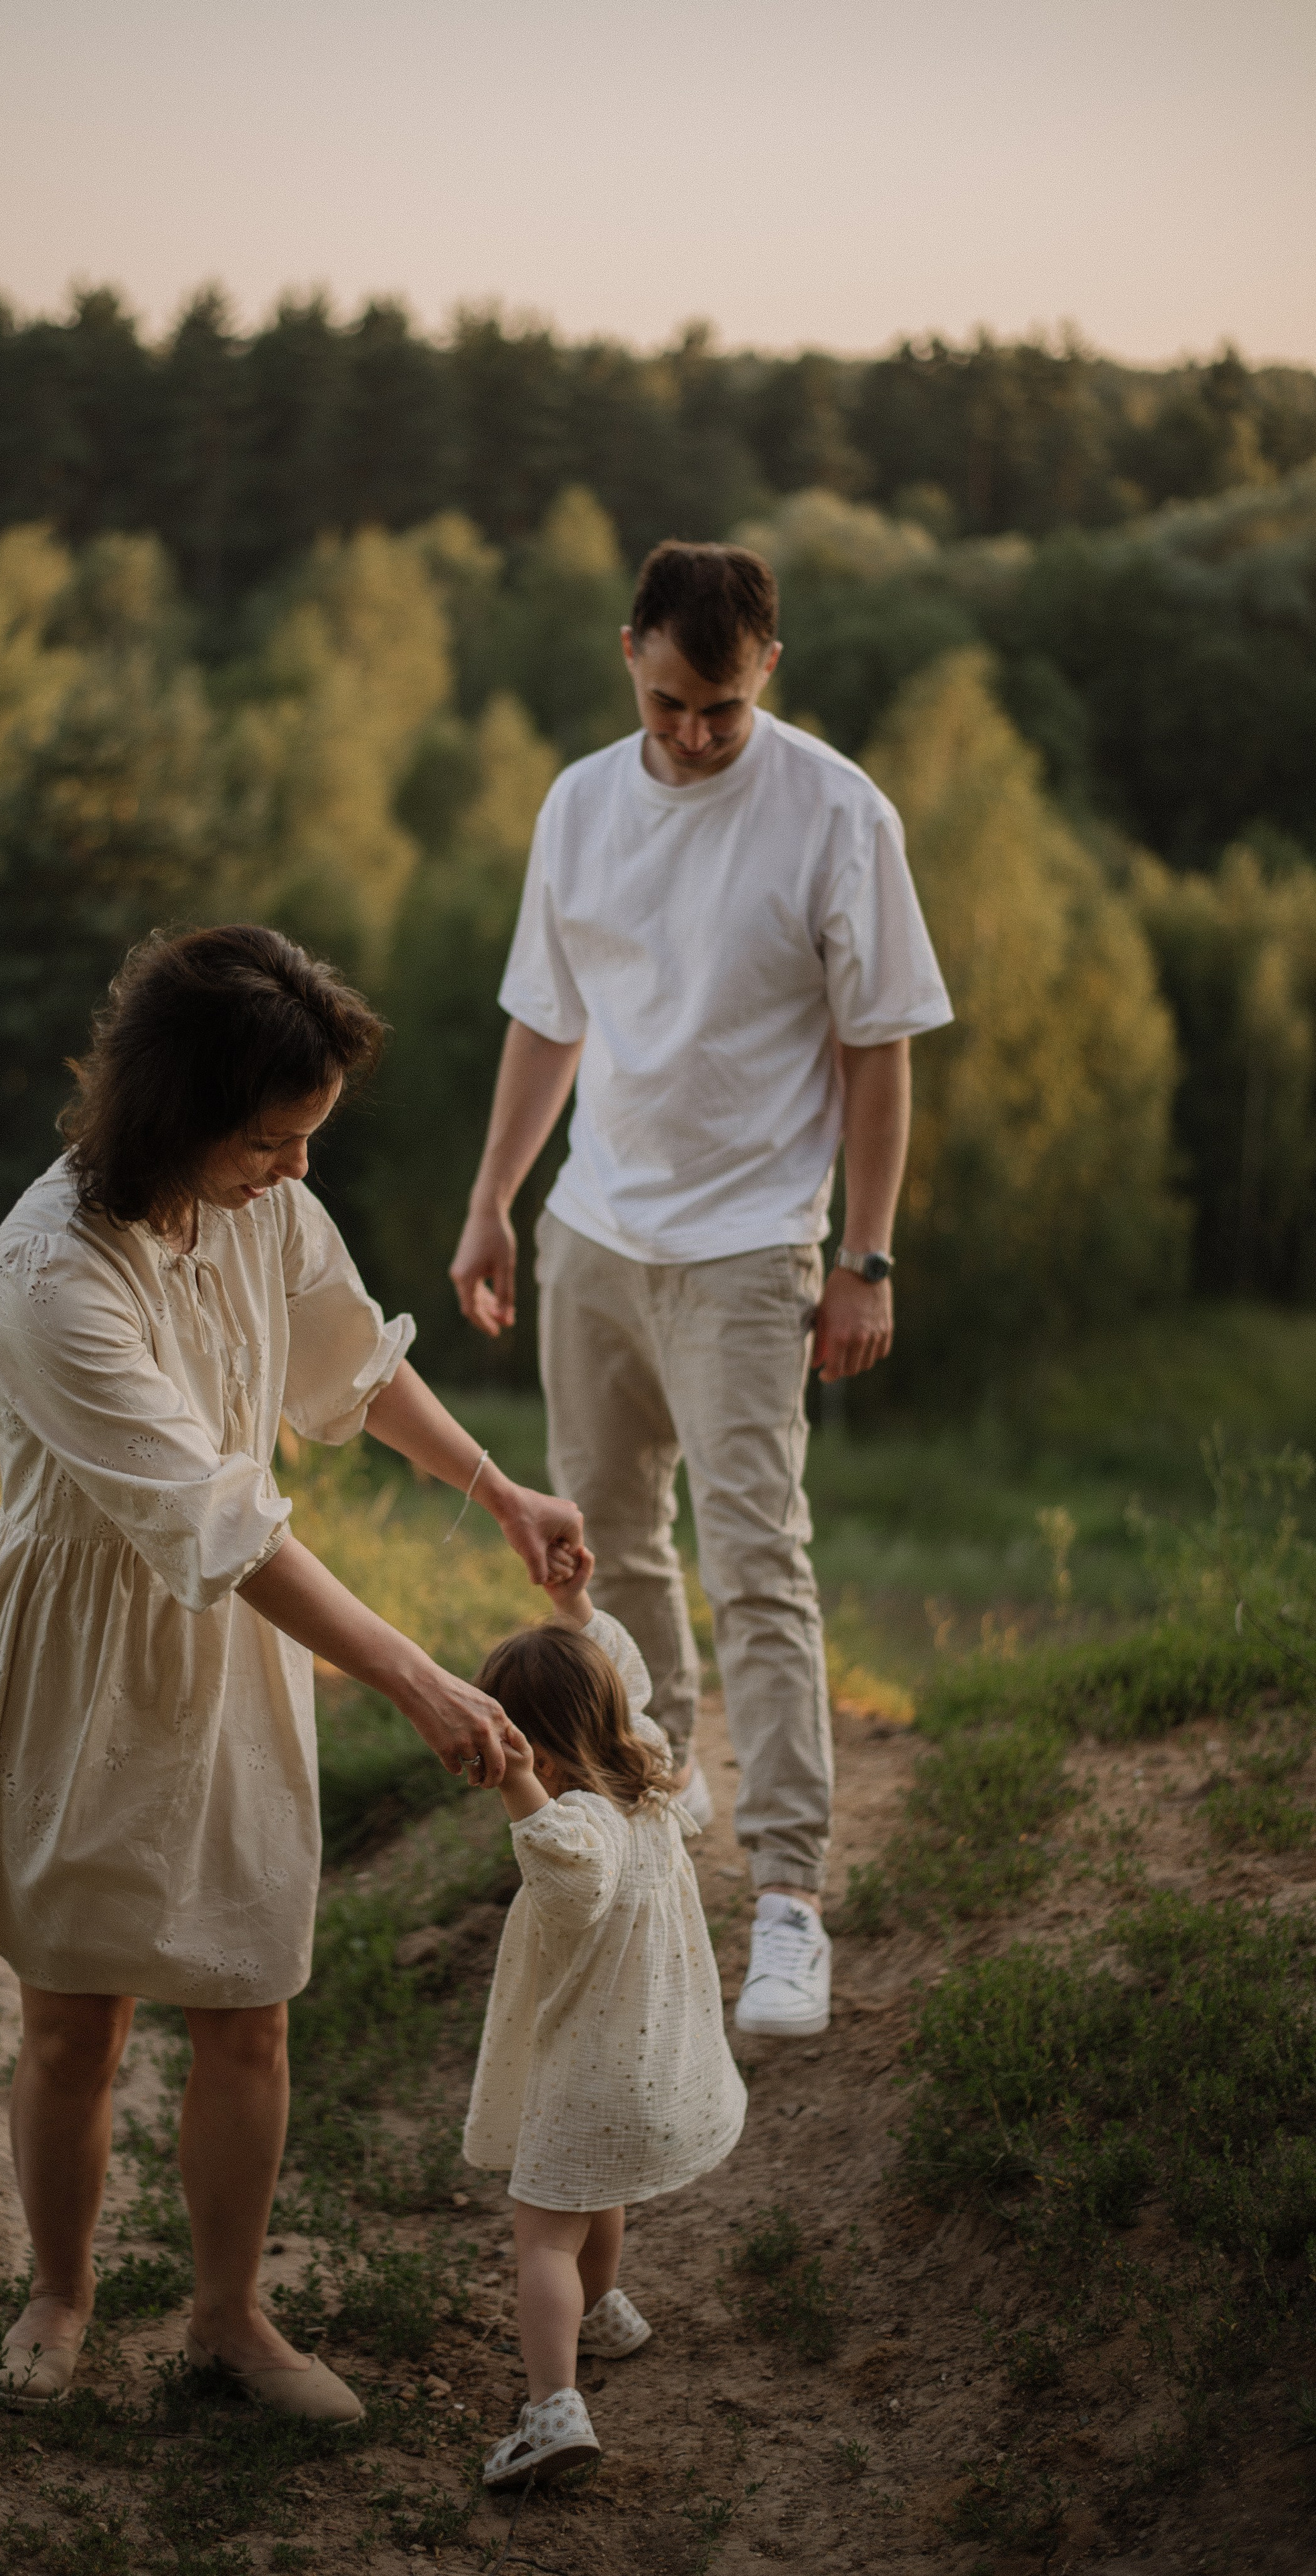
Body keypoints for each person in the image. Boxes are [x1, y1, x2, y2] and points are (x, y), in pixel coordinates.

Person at [0, 924, 581, 2415]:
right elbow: (213, 1516)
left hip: (238, 1640)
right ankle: (58, 2296)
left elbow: (346, 1358)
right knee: (76, 2014)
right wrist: (412, 1675)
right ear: (181, 1108)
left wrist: (500, 1492)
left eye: (305, 1143)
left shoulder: (262, 1206)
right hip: (86, 1652)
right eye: (273, 1142)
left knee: (247, 1999)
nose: (292, 1170)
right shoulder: (45, 1276)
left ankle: (225, 2320)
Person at [450, 540, 952, 2040]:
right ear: (628, 657)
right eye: (669, 702)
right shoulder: (578, 803)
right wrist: (492, 1198)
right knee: (597, 1556)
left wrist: (862, 1255)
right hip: (593, 1235)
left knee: (755, 1560)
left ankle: (788, 1896)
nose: (689, 734)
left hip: (751, 1249)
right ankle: (655, 1823)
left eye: (719, 710)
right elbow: (549, 1019)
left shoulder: (837, 814)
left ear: (765, 676)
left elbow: (878, 1050)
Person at [463, 1540, 746, 2490]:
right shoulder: (651, 1777)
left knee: (543, 2231)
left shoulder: (575, 1827)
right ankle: (609, 2311)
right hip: (648, 2067)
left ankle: (553, 2408)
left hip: (588, 2073)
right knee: (600, 2193)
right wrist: (578, 1606)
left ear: (535, 1749)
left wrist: (510, 1778)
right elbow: (620, 1672)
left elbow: (558, 1860)